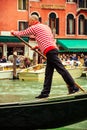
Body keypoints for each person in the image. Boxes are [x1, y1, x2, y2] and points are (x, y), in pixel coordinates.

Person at [11, 15, 79, 99]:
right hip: (52, 49)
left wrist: (14, 32)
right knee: (48, 73)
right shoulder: (46, 27)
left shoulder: (35, 27)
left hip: (50, 51)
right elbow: (47, 39)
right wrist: (38, 47)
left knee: (61, 69)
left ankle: (73, 87)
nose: (29, 23)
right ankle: (45, 93)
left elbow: (23, 33)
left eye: (30, 21)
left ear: (34, 20)